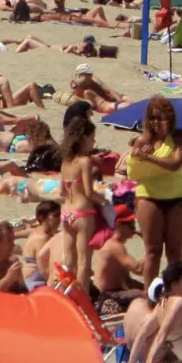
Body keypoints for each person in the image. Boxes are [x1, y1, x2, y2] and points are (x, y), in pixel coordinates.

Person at [127, 96, 182, 287]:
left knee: (175, 251)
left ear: (169, 118)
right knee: (153, 252)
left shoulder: (180, 137)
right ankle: (149, 296)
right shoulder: (142, 141)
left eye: (160, 118)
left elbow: (175, 164)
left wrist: (147, 157)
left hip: (176, 197)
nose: (155, 122)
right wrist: (142, 157)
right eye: (152, 118)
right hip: (149, 197)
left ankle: (177, 291)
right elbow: (133, 173)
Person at [58, 115, 106, 293]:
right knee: (84, 260)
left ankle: (65, 296)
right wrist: (105, 201)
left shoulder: (66, 162)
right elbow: (89, 192)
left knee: (68, 260)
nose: (93, 142)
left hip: (67, 212)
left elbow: (61, 191)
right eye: (92, 137)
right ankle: (82, 299)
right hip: (83, 213)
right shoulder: (84, 161)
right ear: (84, 137)